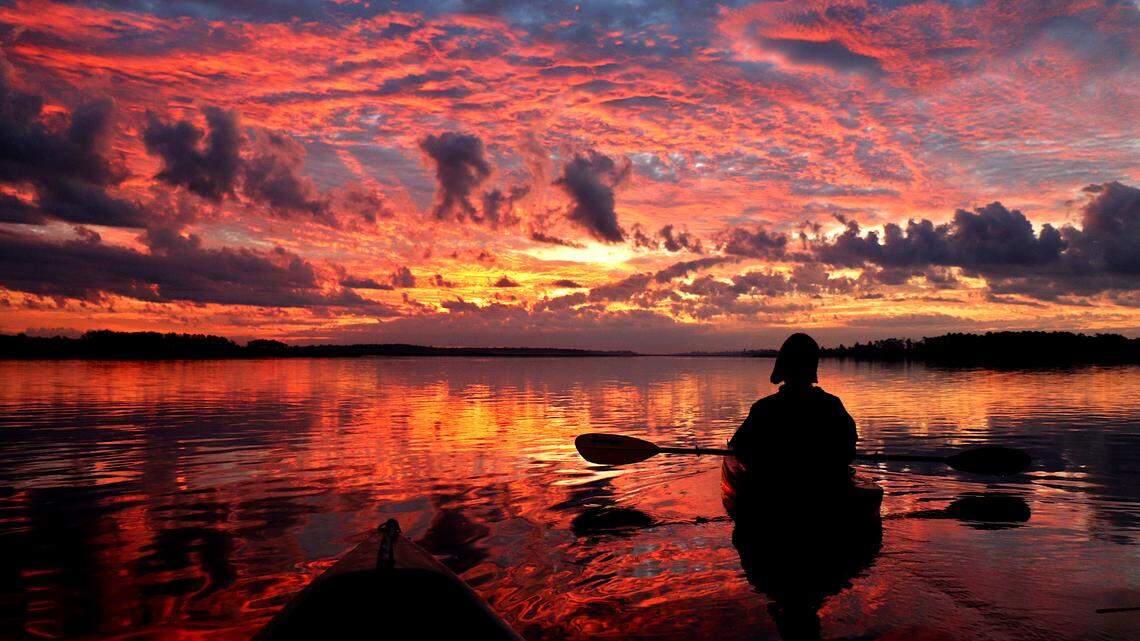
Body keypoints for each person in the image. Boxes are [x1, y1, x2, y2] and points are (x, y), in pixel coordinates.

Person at [728, 333, 856, 490]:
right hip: (827, 487)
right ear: (813, 367)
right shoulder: (834, 405)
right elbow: (849, 451)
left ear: (782, 368)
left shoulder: (764, 408)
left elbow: (739, 449)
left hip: (776, 489)